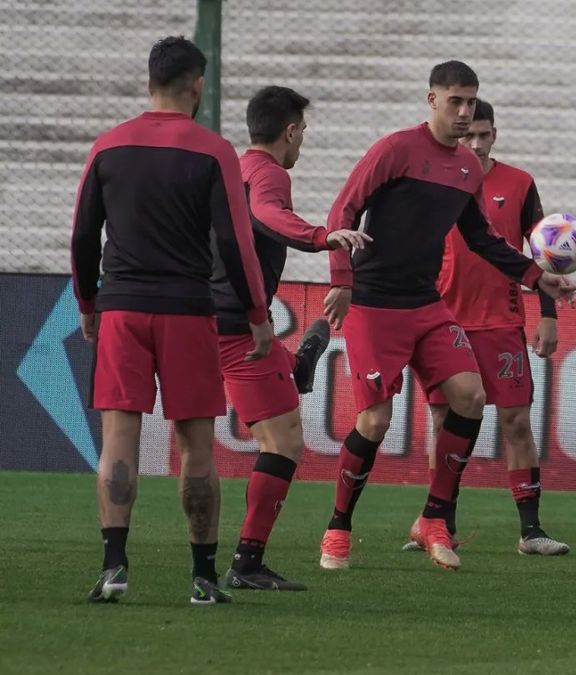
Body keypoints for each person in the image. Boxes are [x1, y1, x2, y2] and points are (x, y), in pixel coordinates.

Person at [317, 61, 576, 572]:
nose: (463, 112)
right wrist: (342, 281)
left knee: (471, 396)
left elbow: (482, 238)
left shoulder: (466, 168)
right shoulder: (395, 149)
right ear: (432, 100)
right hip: (374, 302)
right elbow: (342, 212)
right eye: (455, 101)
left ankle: (435, 517)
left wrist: (537, 277)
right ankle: (338, 526)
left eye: (470, 102)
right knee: (375, 420)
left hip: (425, 303)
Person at [71, 36, 272, 605]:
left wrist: (88, 303)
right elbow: (235, 242)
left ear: (149, 83)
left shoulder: (109, 145)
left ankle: (114, 566)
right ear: (198, 85)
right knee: (197, 447)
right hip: (187, 311)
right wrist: (257, 315)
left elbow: (83, 235)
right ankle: (203, 578)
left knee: (119, 439)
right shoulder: (214, 151)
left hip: (122, 308)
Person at [213, 85, 372, 591]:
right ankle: (247, 563)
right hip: (236, 325)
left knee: (233, 438)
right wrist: (321, 236)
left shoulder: (229, 169)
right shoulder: (269, 173)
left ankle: (296, 365)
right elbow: (267, 214)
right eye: (302, 130)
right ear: (289, 131)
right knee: (283, 443)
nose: (303, 138)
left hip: (199, 316)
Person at [399, 100, 570, 556]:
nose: (476, 143)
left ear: (495, 135)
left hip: (501, 322)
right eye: (469, 135)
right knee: (442, 421)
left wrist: (548, 315)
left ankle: (531, 531)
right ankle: (439, 524)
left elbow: (542, 253)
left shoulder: (519, 183)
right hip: (443, 321)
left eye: (484, 135)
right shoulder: (435, 178)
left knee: (516, 421)